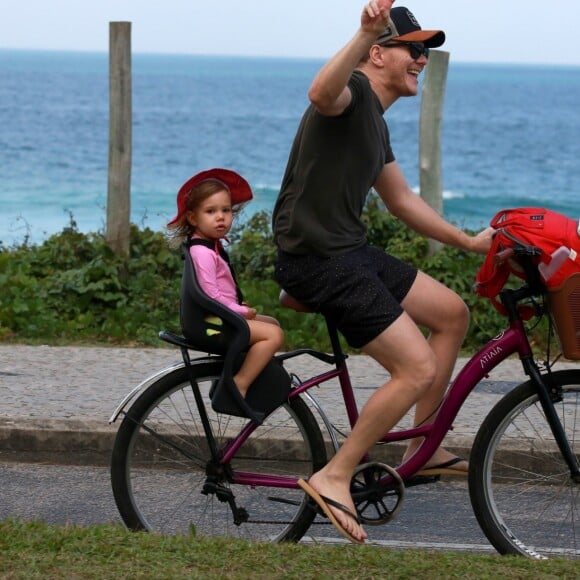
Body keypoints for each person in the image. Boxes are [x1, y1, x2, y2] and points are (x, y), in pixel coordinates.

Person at [272, 2, 494, 544]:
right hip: (318, 258)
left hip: (349, 250)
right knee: (415, 367)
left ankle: (423, 447)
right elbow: (321, 94)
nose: (422, 59)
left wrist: (466, 241)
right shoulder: (352, 94)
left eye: (426, 51)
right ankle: (335, 474)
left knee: (451, 314)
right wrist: (361, 31)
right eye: (413, 49)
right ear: (379, 54)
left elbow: (399, 200)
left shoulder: (375, 120)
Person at [168, 168, 284, 399]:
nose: (220, 217)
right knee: (274, 336)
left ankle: (242, 372)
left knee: (273, 323)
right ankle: (239, 385)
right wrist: (240, 311)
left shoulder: (207, 246)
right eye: (211, 211)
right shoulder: (203, 252)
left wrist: (236, 305)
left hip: (214, 319)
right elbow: (210, 295)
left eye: (226, 210)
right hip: (212, 326)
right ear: (193, 218)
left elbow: (217, 291)